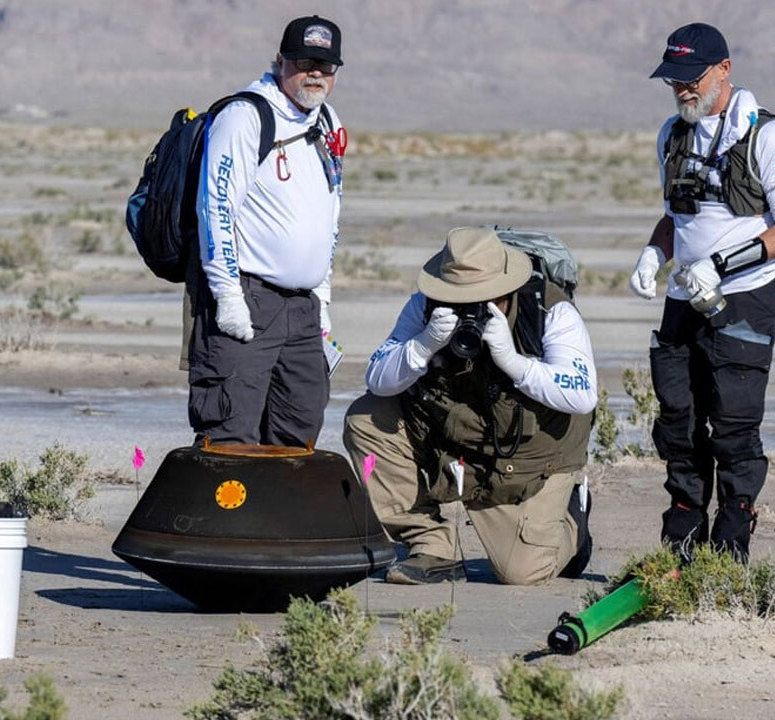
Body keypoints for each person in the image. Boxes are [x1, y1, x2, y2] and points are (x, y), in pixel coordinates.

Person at [630, 23, 775, 561]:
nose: (683, 90)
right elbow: (675, 218)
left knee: (733, 426)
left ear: (723, 70)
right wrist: (653, 254)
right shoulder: (672, 134)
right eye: (673, 81)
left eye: (691, 79)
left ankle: (730, 549)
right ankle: (681, 545)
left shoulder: (767, 136)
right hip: (685, 299)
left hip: (746, 300)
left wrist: (722, 264)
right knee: (678, 423)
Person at [343, 227, 598, 585]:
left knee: (521, 573)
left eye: (484, 298)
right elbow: (378, 378)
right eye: (456, 297)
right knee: (367, 418)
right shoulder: (425, 305)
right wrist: (422, 345)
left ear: (508, 288)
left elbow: (583, 393)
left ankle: (573, 519)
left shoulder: (549, 311)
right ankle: (431, 546)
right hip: (454, 439)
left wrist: (515, 363)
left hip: (529, 459)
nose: (469, 309)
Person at [189, 15, 345, 446]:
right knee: (230, 432)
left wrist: (323, 298)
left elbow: (329, 212)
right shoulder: (245, 116)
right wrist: (227, 297)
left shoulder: (326, 120)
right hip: (249, 297)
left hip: (304, 309)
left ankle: (280, 517)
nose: (315, 73)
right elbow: (215, 208)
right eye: (303, 61)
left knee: (299, 429)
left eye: (326, 65)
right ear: (280, 61)